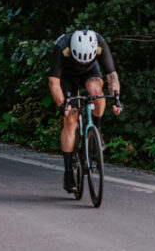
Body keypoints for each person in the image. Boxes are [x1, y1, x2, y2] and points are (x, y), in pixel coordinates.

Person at [48, 29, 122, 192]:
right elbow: (54, 82)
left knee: (97, 93)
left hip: (90, 72)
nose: (81, 63)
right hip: (66, 77)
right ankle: (68, 174)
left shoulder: (99, 43)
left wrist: (116, 99)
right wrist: (62, 105)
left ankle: (97, 129)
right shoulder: (62, 46)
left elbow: (112, 75)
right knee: (70, 119)